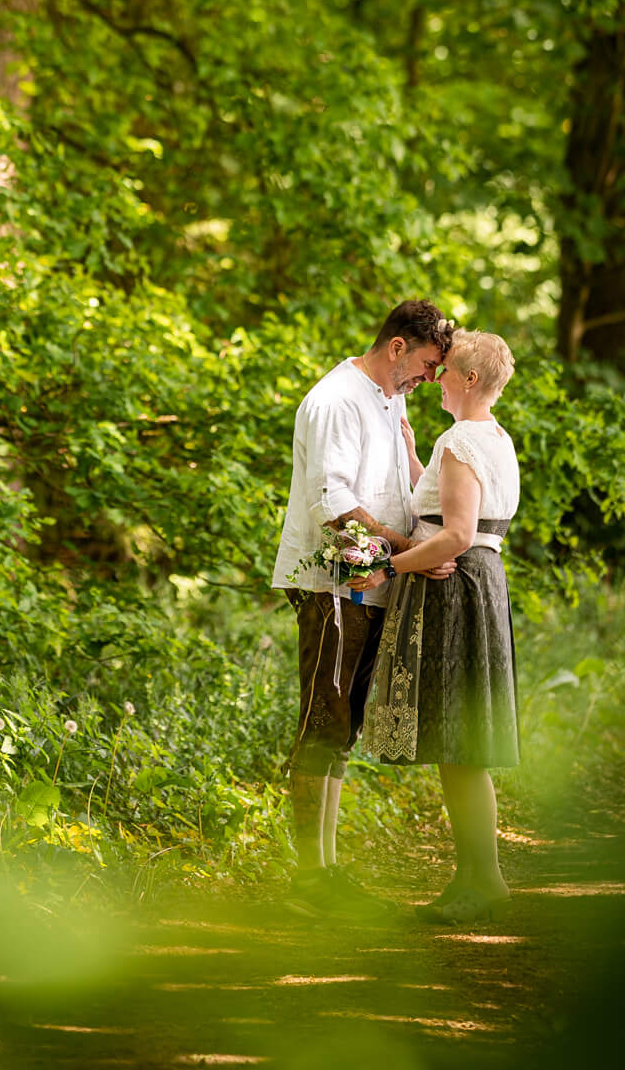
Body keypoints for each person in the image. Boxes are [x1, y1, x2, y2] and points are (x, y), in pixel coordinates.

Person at [270, 297, 454, 880]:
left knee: (341, 727)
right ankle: (309, 877)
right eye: (427, 364)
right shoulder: (336, 401)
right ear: (397, 345)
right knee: (320, 723)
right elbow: (334, 504)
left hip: (371, 584)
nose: (430, 378)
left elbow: (401, 490)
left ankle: (326, 871)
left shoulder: (391, 399)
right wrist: (411, 552)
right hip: (330, 584)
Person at [364, 327, 520, 923]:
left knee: (459, 744)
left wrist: (386, 567)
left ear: (471, 380)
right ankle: (480, 877)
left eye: (447, 369)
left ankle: (481, 880)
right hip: (480, 583)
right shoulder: (491, 437)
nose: (436, 378)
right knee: (461, 747)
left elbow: (454, 535)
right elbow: (448, 510)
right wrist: (412, 457)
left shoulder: (460, 440)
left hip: (454, 588)